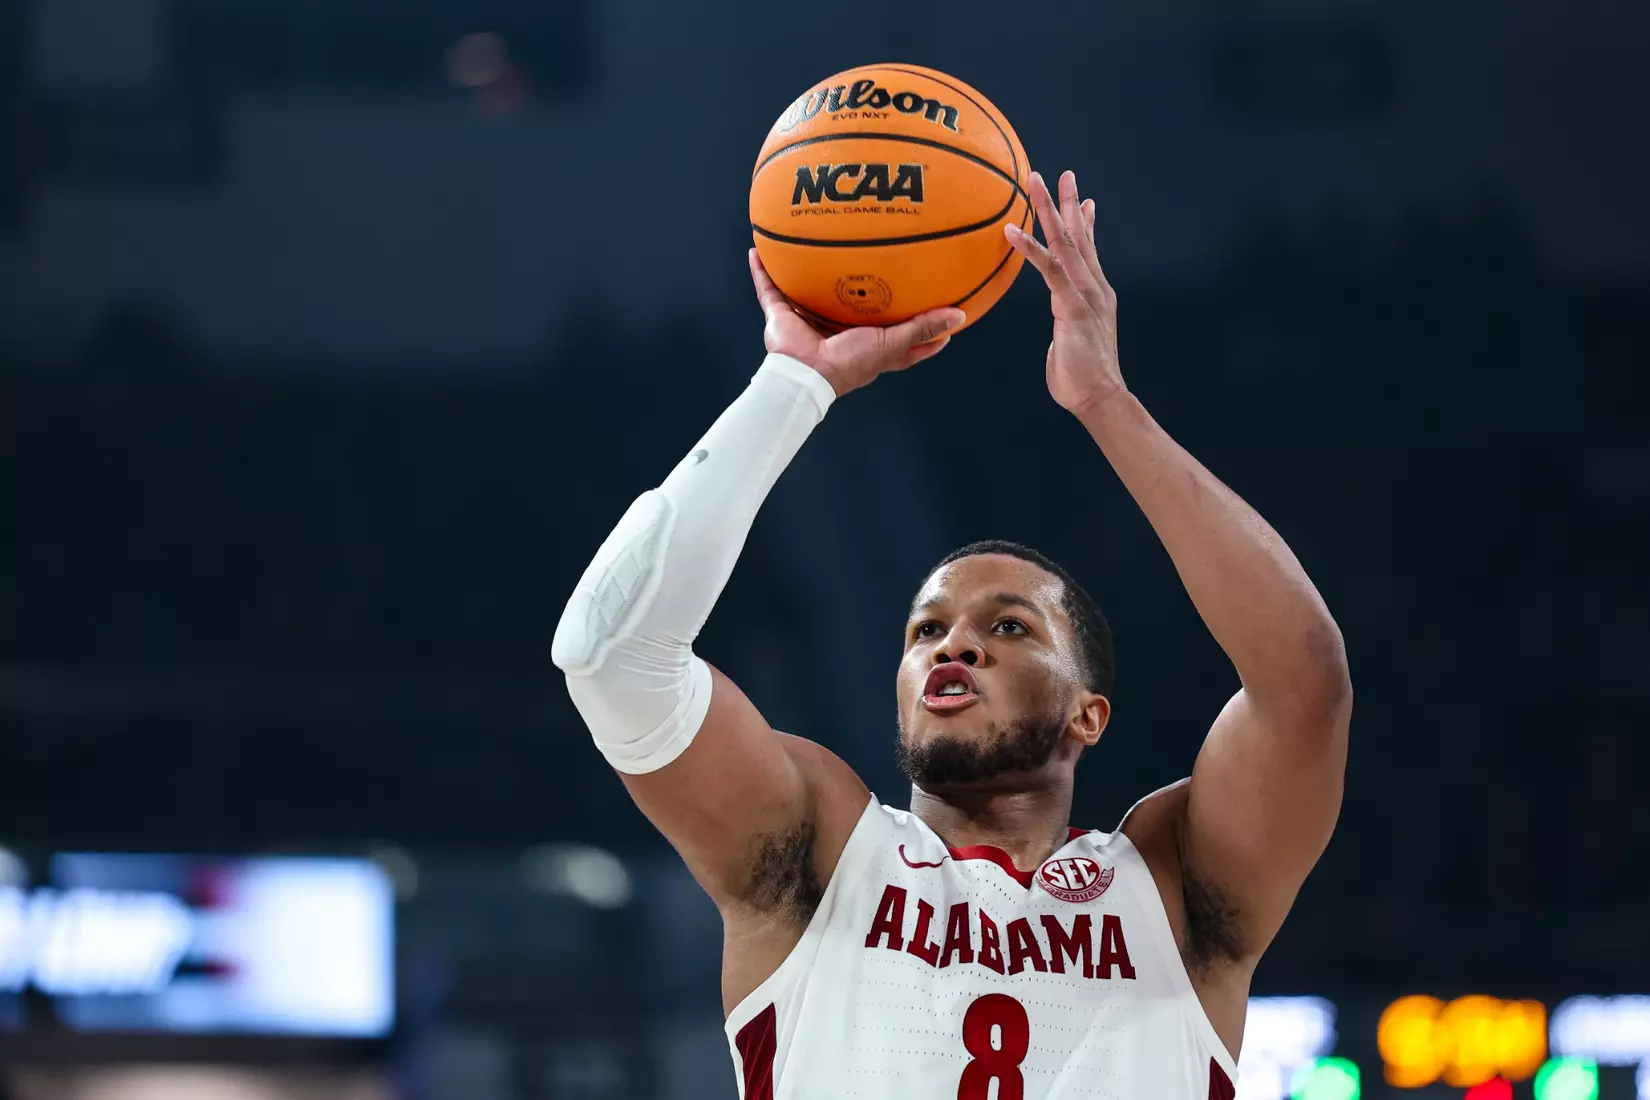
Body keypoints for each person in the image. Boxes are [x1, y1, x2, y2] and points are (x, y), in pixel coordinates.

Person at [552, 170, 1351, 1099]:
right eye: (925, 629)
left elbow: (1304, 680)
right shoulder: (819, 847)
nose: (952, 646)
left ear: (1089, 715)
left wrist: (1108, 405)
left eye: (1008, 627)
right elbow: (610, 655)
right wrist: (795, 384)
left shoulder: (1176, 884)